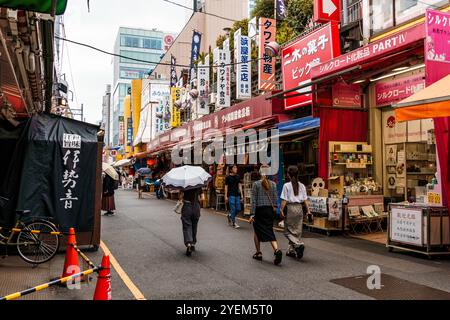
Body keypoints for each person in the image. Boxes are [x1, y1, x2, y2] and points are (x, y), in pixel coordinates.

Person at [248, 165, 282, 265]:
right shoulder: (273, 184)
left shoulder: (256, 184)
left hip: (259, 211)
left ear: (260, 173)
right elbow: (276, 199)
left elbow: (253, 201)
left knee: (257, 231)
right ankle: (276, 250)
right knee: (269, 230)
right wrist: (275, 210)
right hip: (269, 211)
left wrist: (252, 214)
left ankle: (258, 253)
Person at [279, 166, 311, 260]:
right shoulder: (302, 185)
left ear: (288, 175)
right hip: (299, 208)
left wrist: (281, 210)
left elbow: (284, 200)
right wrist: (308, 211)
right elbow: (305, 200)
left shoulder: (286, 185)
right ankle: (291, 250)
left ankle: (298, 244)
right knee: (296, 231)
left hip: (290, 208)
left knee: (287, 231)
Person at [180, 187, 202, 256]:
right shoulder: (198, 186)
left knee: (187, 226)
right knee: (194, 226)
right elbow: (201, 198)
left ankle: (189, 243)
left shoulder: (184, 186)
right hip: (196, 207)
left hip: (187, 206)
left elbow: (180, 197)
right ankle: (193, 243)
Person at [224, 164, 243, 229]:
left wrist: (242, 195)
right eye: (234, 168)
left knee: (238, 209)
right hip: (230, 195)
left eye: (236, 168)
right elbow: (226, 187)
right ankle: (234, 223)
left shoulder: (238, 176)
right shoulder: (227, 177)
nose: (236, 169)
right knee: (233, 209)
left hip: (237, 195)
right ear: (231, 170)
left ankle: (230, 216)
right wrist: (226, 196)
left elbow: (240, 186)